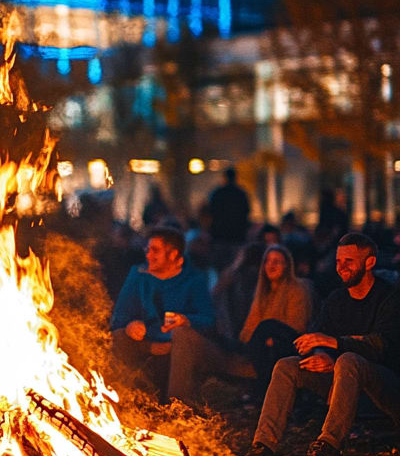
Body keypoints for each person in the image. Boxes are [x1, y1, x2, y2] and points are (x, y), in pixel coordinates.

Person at [247, 232, 400, 456]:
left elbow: (381, 347)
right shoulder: (337, 299)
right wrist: (321, 354)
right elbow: (316, 338)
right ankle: (263, 447)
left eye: (349, 261)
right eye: (338, 261)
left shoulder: (389, 297)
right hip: (342, 379)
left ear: (369, 262)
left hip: (384, 387)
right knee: (287, 366)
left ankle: (328, 446)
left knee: (348, 359)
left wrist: (335, 345)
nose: (341, 267)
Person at [110, 227, 246, 405]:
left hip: (185, 346)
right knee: (120, 335)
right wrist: (130, 325)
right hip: (150, 343)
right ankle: (127, 401)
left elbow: (209, 320)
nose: (149, 255)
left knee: (182, 334)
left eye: (155, 250)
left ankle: (176, 408)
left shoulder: (193, 279)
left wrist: (186, 320)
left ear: (173, 254)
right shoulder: (138, 275)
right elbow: (118, 317)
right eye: (147, 249)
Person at [238, 244, 314, 388]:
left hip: (290, 342)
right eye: (268, 261)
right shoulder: (262, 294)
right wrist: (255, 339)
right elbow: (248, 328)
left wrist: (270, 337)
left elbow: (298, 326)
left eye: (277, 261)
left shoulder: (297, 289)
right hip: (263, 342)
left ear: (287, 265)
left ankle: (261, 388)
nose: (271, 265)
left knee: (268, 326)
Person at [208, 166, 250, 258]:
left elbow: (210, 211)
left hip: (220, 235)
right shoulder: (241, 193)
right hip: (237, 235)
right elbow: (246, 212)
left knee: (220, 261)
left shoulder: (217, 193)